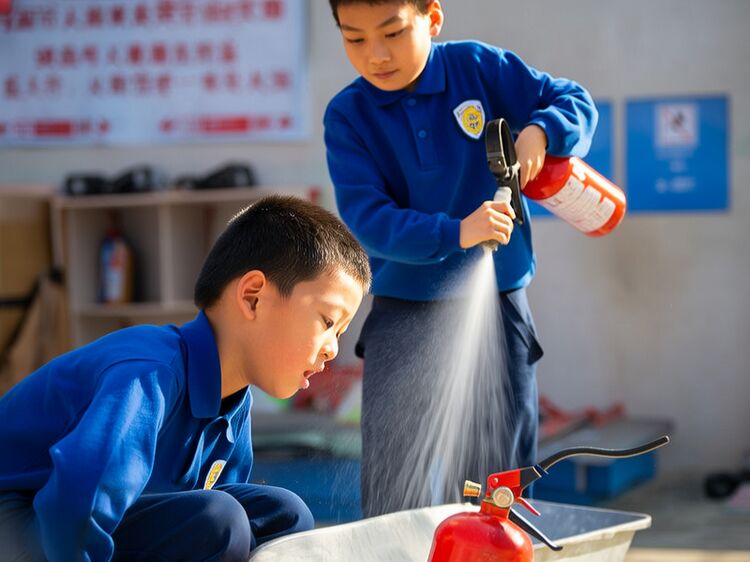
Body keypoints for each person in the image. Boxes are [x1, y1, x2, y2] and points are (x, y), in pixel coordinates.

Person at [324, 0, 598, 516]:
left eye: (393, 33)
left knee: (498, 480)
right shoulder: (348, 116)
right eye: (354, 39)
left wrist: (542, 131)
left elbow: (574, 101)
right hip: (405, 312)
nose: (376, 55)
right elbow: (369, 220)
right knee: (394, 482)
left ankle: (495, 548)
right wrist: (457, 232)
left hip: (497, 304)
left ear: (432, 17)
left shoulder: (478, 68)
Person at [0, 195, 371, 561]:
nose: (332, 349)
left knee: (283, 514)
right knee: (220, 521)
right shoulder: (149, 374)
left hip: (68, 519)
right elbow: (77, 503)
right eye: (327, 322)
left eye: (340, 333)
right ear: (253, 297)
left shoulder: (232, 403)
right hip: (27, 512)